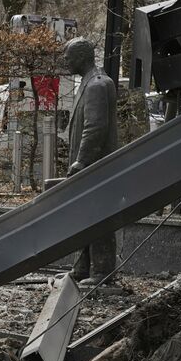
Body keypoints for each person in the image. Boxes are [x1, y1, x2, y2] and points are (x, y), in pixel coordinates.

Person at [62, 36, 121, 284]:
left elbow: (95, 127)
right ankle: (83, 268)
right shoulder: (90, 83)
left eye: (68, 57)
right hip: (91, 165)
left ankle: (102, 272)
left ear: (82, 58)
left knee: (98, 216)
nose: (65, 61)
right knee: (85, 215)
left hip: (95, 166)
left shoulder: (96, 85)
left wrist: (81, 161)